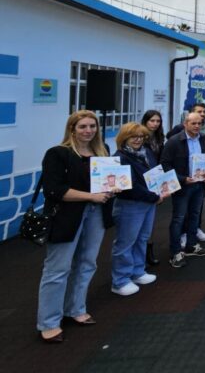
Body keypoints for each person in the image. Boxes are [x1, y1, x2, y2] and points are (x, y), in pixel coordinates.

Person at [36, 110, 115, 343]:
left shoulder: (103, 152)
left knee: (87, 263)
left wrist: (114, 187)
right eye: (82, 126)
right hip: (66, 217)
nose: (88, 130)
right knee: (57, 270)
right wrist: (91, 196)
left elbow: (107, 184)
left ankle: (76, 308)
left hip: (96, 214)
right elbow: (54, 190)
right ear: (72, 129)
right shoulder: (57, 154)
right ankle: (49, 322)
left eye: (92, 126)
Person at [111, 122, 162, 296]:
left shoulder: (146, 152)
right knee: (126, 242)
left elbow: (155, 173)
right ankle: (120, 280)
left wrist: (162, 188)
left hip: (149, 202)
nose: (138, 140)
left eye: (141, 137)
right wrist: (154, 196)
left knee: (142, 238)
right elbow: (129, 186)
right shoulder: (120, 157)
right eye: (134, 137)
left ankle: (137, 271)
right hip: (130, 204)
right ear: (125, 138)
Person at [161, 112, 205, 268]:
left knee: (195, 215)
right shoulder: (174, 141)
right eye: (193, 123)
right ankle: (175, 252)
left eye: (199, 124)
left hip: (199, 184)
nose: (197, 126)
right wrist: (182, 178)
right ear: (185, 124)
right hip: (183, 186)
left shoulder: (203, 139)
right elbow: (165, 164)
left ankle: (191, 245)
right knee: (179, 218)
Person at [140, 110, 164, 266]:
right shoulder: (140, 137)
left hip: (155, 177)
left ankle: (148, 251)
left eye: (158, 121)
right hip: (142, 178)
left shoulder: (160, 138)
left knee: (152, 220)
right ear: (145, 121)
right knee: (140, 220)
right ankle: (141, 254)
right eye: (152, 121)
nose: (155, 124)